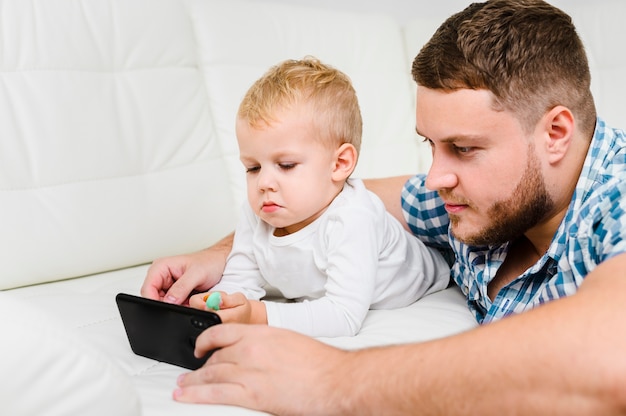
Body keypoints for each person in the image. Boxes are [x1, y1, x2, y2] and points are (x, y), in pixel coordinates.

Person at [141, 0, 626, 413]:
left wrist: (335, 381)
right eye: (430, 146)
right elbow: (347, 196)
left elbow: (611, 353)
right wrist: (224, 251)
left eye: (464, 148)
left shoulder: (615, 195)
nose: (436, 177)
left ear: (555, 135)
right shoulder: (471, 198)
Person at [185, 57, 449, 337]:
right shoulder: (257, 213)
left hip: (440, 268)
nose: (263, 183)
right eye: (252, 167)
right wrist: (217, 304)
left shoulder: (352, 217)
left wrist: (257, 314)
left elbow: (343, 316)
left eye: (286, 165)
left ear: (339, 164)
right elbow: (240, 277)